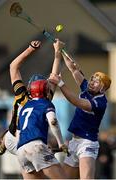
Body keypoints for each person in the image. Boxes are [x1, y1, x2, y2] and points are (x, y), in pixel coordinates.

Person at [49, 40, 111, 179]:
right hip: (74, 142)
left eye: (96, 81)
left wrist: (60, 83)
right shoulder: (87, 89)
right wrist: (62, 51)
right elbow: (73, 69)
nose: (91, 82)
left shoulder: (100, 102)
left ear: (102, 88)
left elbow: (75, 101)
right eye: (92, 78)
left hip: (87, 144)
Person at [9, 40, 68, 179]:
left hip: (19, 146)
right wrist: (57, 52)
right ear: (46, 90)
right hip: (31, 142)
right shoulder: (45, 101)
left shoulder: (22, 95)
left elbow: (13, 67)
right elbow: (54, 76)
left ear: (30, 88)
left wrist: (30, 49)